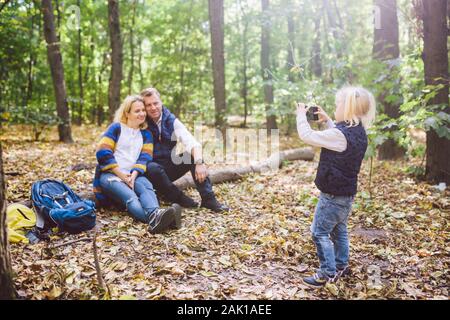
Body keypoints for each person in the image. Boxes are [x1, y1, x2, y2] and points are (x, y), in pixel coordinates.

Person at [296, 86, 376, 287]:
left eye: (337, 104)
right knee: (339, 231)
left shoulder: (340, 136)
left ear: (347, 109)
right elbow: (339, 137)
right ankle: (340, 265)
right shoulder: (358, 132)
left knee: (319, 232)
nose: (335, 107)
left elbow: (308, 136)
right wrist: (328, 121)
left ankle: (326, 273)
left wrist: (300, 115)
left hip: (332, 196)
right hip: (346, 195)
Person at [93, 95, 182, 234]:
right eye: (137, 111)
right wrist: (122, 176)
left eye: (142, 110)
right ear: (127, 113)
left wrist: (133, 175)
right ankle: (163, 221)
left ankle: (156, 216)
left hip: (134, 174)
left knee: (147, 188)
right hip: (111, 175)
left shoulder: (146, 134)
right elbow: (102, 152)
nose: (142, 114)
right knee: (131, 198)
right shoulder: (116, 128)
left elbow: (144, 157)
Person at [140, 87, 229, 212]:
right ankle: (178, 197)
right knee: (152, 167)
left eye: (155, 103)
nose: (153, 107)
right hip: (148, 172)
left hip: (167, 168)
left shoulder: (171, 120)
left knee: (191, 156)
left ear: (161, 103)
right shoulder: (140, 122)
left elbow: (192, 142)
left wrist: (199, 162)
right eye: (148, 105)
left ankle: (208, 199)